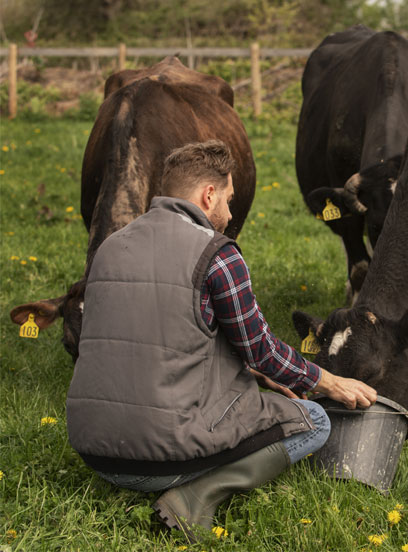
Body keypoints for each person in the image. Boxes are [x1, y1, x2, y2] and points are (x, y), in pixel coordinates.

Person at [65, 140, 376, 542]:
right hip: (161, 460)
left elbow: (171, 335)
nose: (230, 215)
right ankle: (196, 496)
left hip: (95, 452)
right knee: (313, 421)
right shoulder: (217, 254)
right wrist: (330, 382)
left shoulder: (111, 246)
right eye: (228, 200)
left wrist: (259, 375)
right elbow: (261, 350)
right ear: (207, 195)